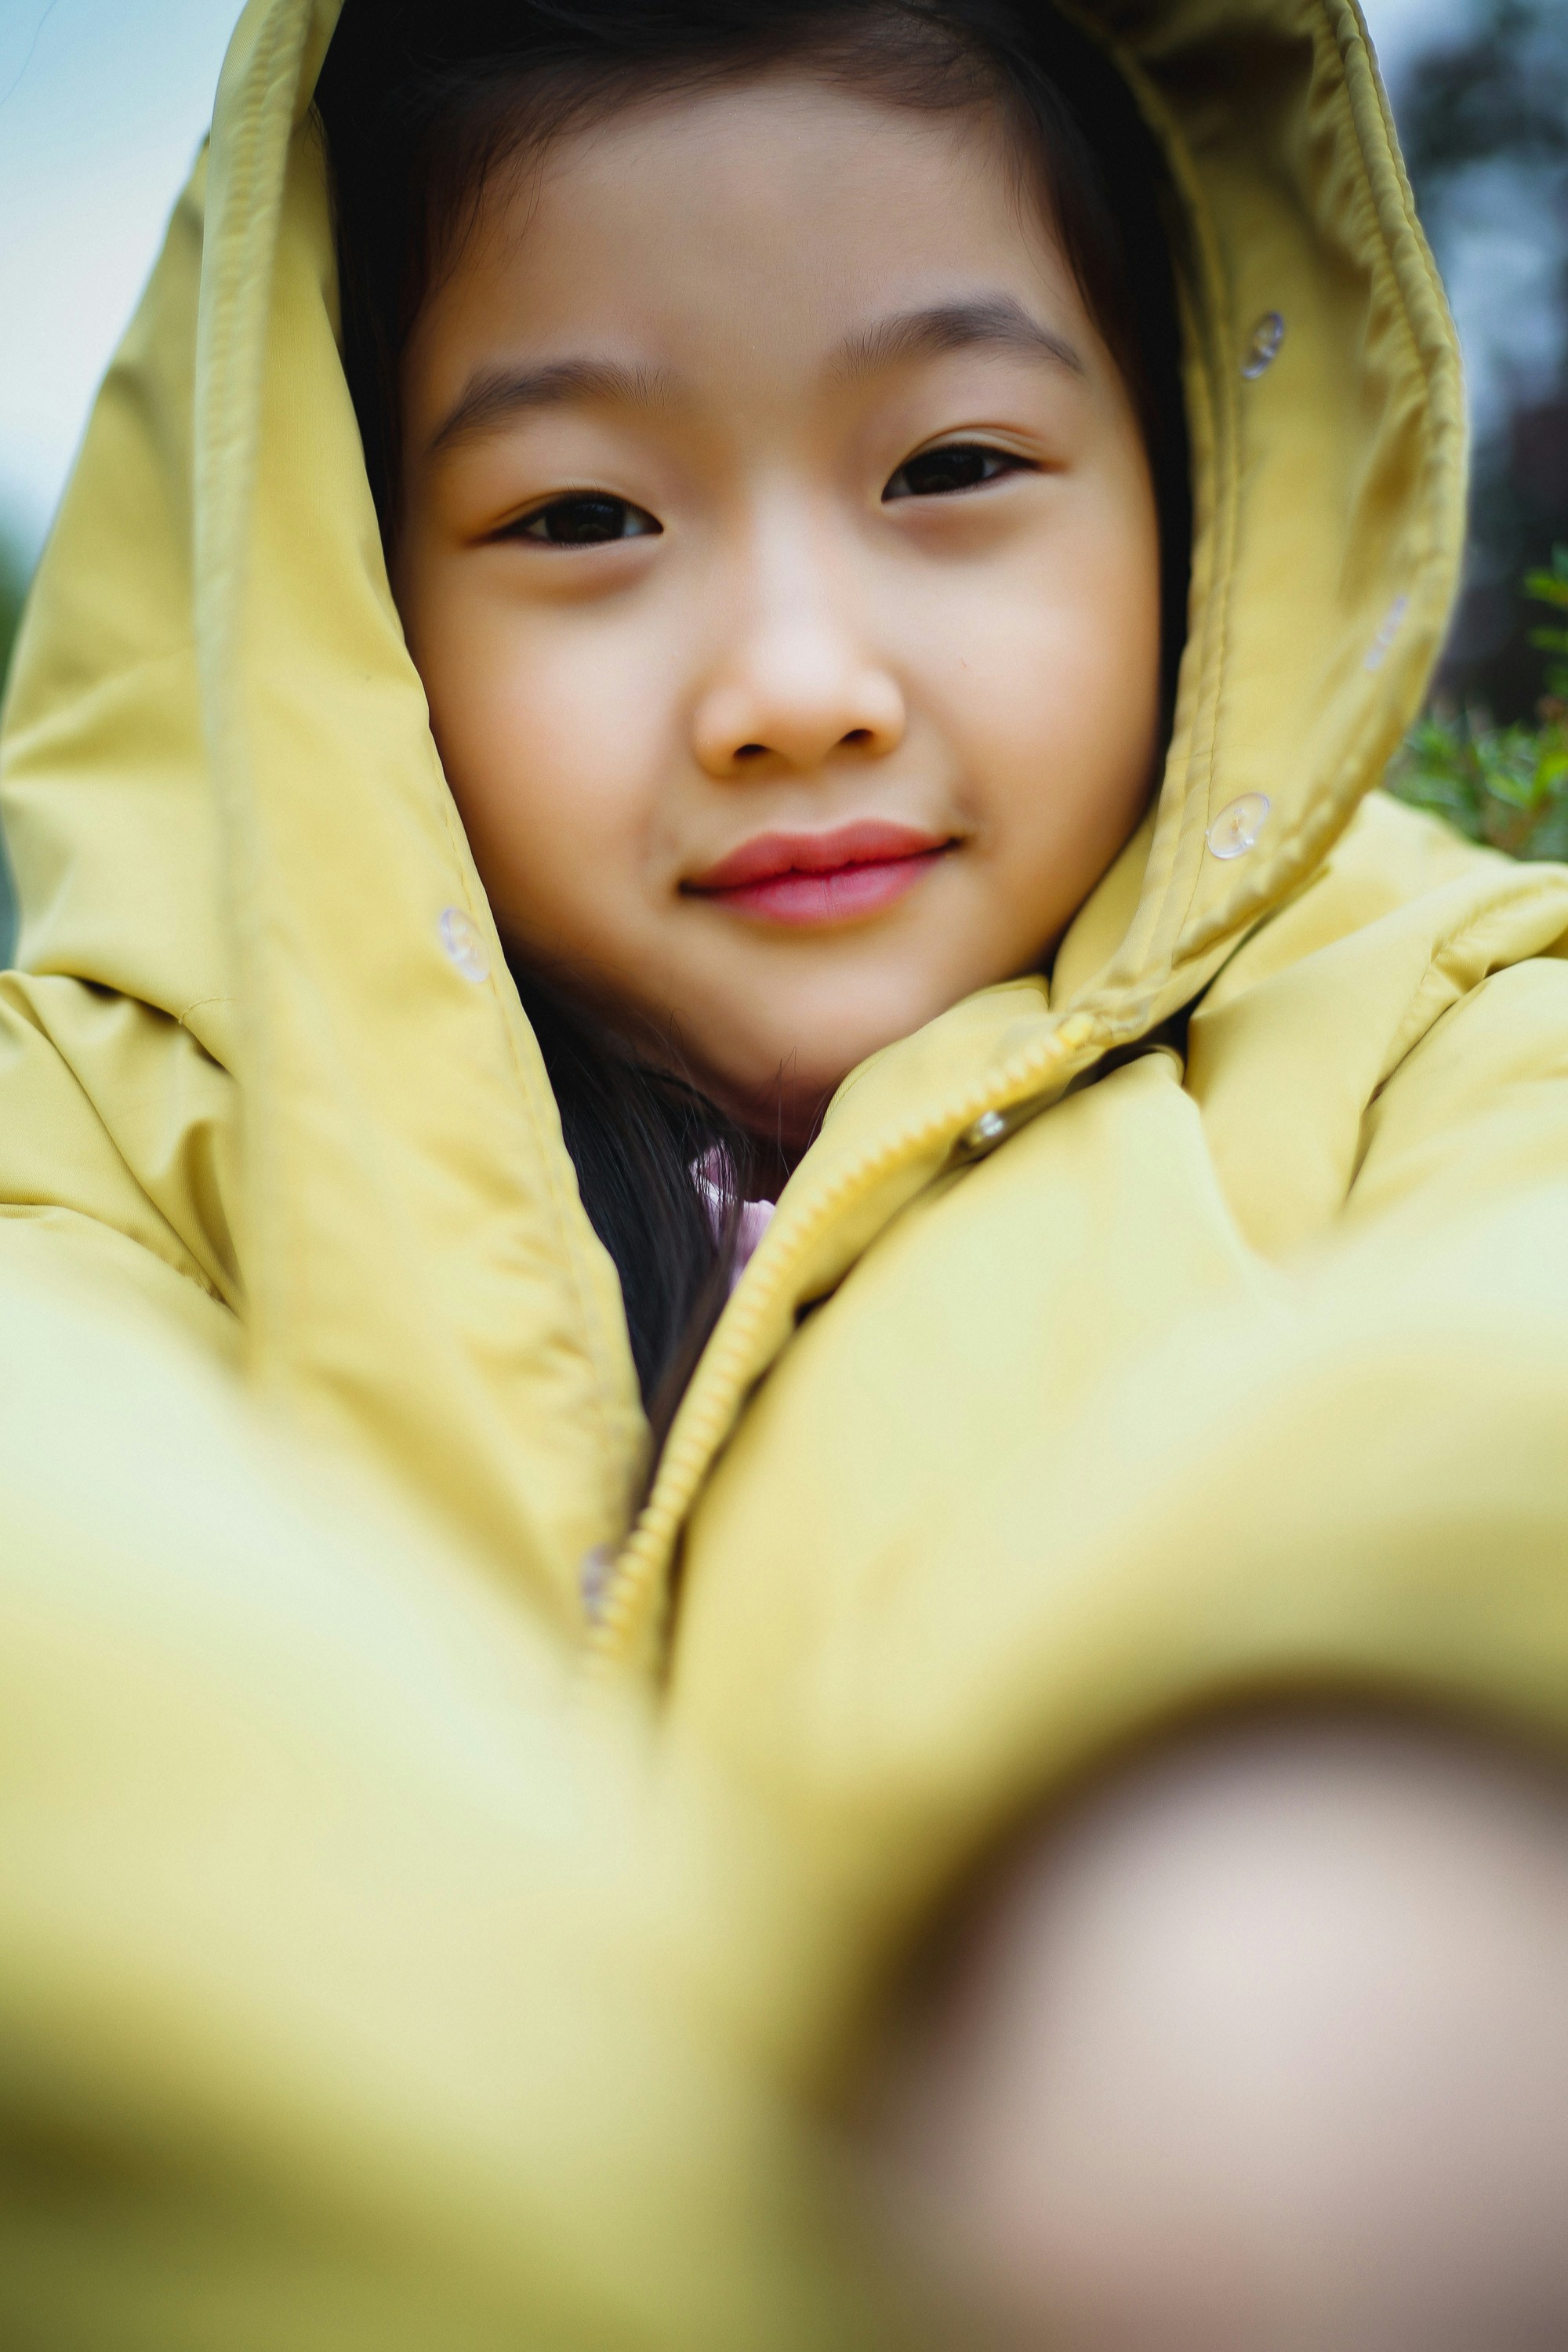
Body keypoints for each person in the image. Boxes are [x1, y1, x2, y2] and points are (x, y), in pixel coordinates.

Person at [3, 0, 1568, 2339]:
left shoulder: (1426, 1019)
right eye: (582, 516)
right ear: (356, 601)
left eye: (951, 465)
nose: (796, 683)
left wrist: (1346, 1773)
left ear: (1190, 485)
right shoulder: (129, 1142)